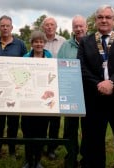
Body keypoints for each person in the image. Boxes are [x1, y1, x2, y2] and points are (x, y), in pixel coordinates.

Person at [77, 5, 114, 168]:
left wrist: (112, 82)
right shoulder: (85, 42)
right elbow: (81, 67)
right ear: (95, 20)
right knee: (93, 142)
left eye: (108, 17)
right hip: (94, 99)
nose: (104, 20)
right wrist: (98, 84)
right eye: (100, 17)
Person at [0, 15, 27, 158]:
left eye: (7, 26)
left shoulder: (20, 45)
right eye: (2, 26)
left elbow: (26, 65)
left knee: (14, 122)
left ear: (11, 28)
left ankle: (12, 149)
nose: (4, 28)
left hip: (14, 90)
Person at [57, 15, 88, 168]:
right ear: (72, 28)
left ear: (87, 27)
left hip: (89, 92)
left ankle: (85, 157)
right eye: (76, 26)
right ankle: (71, 156)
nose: (79, 29)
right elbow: (59, 66)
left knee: (88, 127)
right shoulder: (66, 46)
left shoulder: (93, 43)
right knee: (70, 127)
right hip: (70, 92)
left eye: (81, 26)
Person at [21, 30, 53, 168]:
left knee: (41, 131)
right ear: (32, 43)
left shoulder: (50, 58)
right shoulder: (25, 58)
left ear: (44, 43)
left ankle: (38, 160)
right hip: (27, 102)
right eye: (36, 41)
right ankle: (28, 160)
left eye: (41, 41)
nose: (39, 44)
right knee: (27, 131)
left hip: (44, 103)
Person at [41, 16, 66, 160]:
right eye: (47, 25)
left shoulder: (63, 41)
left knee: (55, 118)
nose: (49, 27)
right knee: (42, 117)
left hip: (57, 84)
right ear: (43, 27)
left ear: (55, 27)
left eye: (52, 25)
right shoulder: (39, 40)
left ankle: (52, 148)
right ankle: (41, 144)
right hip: (42, 84)